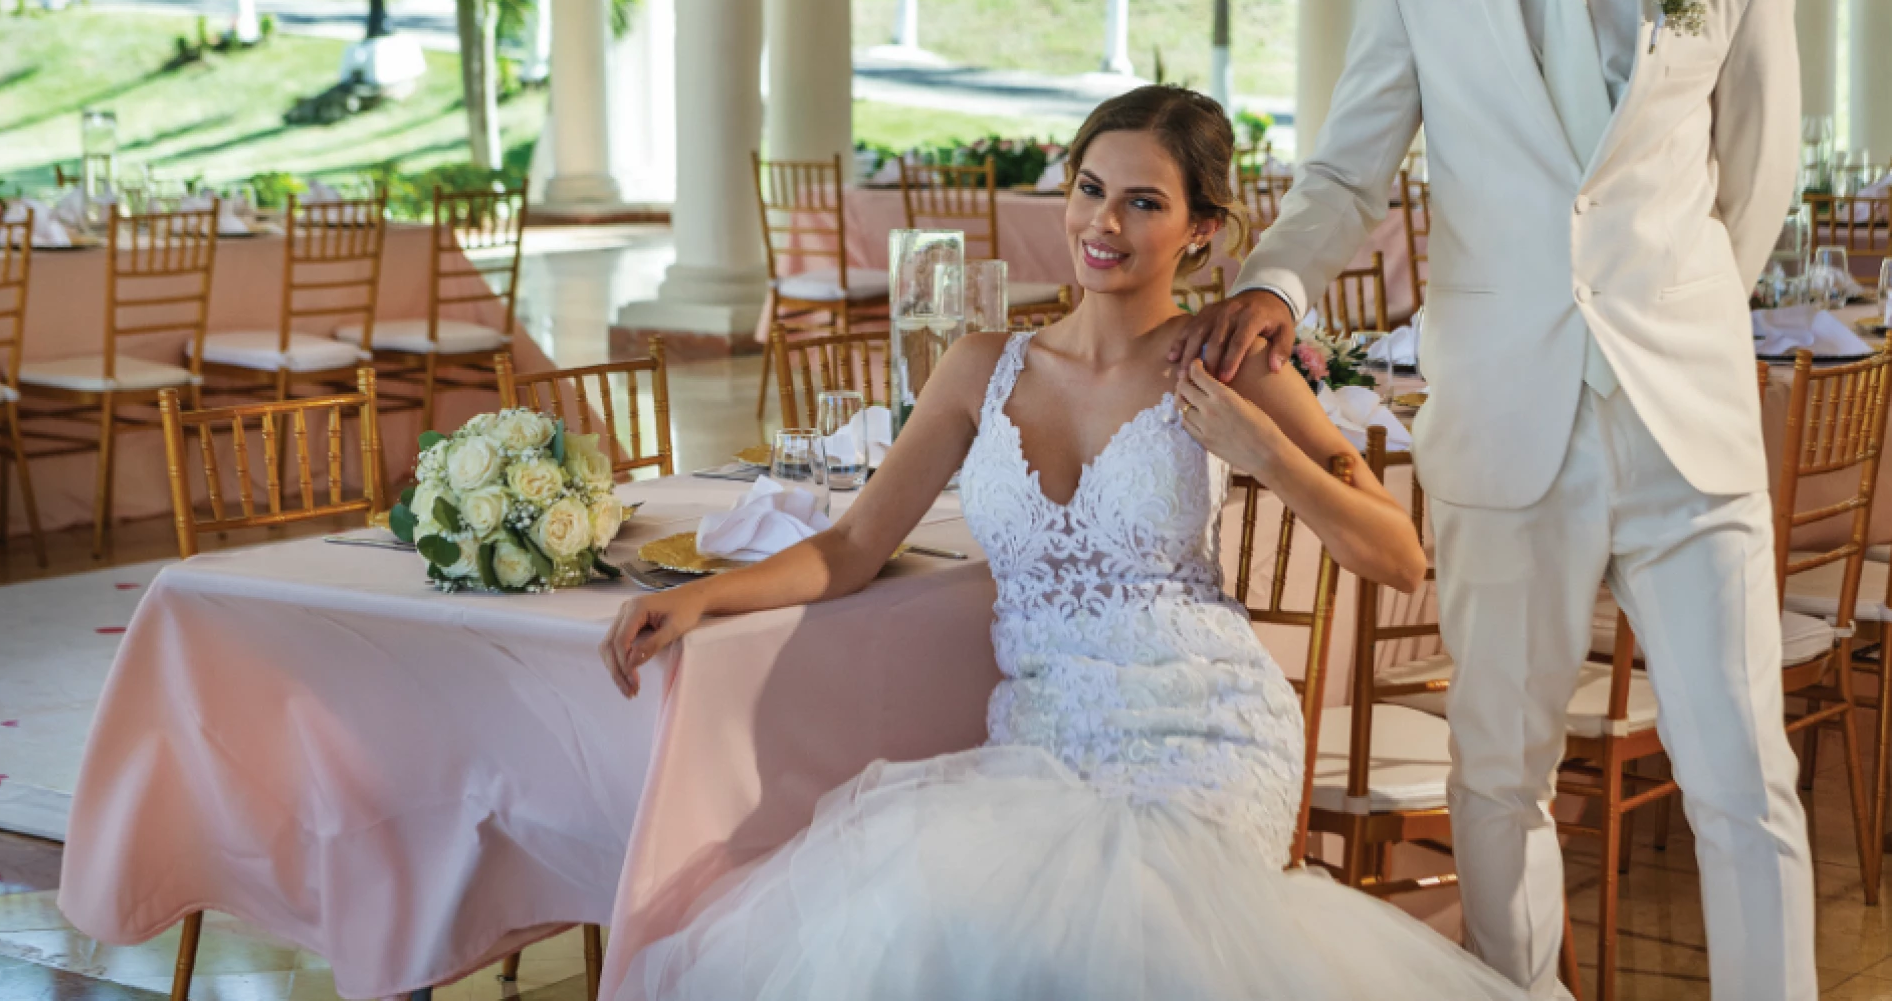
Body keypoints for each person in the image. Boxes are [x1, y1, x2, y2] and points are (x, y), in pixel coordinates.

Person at [603, 85, 1525, 1000]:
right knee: (938, 925)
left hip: (1205, 730)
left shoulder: (1228, 364)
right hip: (1042, 740)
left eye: (1144, 202)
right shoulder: (981, 367)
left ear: (1202, 229)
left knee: (1134, 943)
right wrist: (699, 596)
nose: (1104, 222)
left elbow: (1397, 557)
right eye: (1090, 188)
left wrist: (1264, 452)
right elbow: (851, 546)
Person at [1174, 0, 1812, 1001]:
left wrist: (1666, 313)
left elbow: (1750, 188)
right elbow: (1347, 173)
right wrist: (1282, 284)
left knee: (1743, 777)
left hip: (1685, 439)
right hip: (1501, 429)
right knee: (1496, 770)